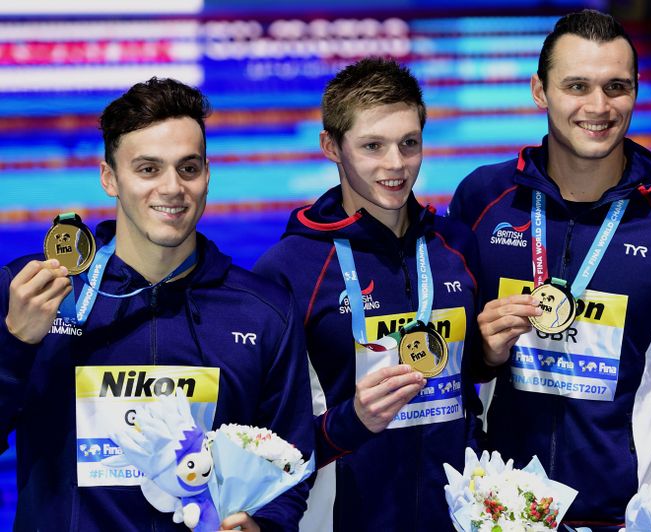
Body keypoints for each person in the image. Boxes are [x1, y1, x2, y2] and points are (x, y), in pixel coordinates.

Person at [448, 9, 651, 529]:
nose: (598, 107)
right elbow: (446, 366)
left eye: (616, 87)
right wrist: (481, 356)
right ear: (540, 90)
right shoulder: (483, 200)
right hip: (492, 512)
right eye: (577, 86)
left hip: (626, 516)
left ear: (636, 91)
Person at [0, 77, 315, 531]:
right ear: (109, 177)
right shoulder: (33, 290)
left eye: (187, 168)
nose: (172, 188)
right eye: (148, 169)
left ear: (207, 174)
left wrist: (264, 525)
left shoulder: (263, 311)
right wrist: (15, 345)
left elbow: (292, 458)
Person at [254, 57, 482, 531]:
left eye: (409, 143)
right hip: (346, 515)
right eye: (372, 146)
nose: (395, 164)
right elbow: (264, 440)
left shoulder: (454, 246)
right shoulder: (291, 270)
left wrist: (492, 355)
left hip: (459, 515)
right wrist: (352, 419)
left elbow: (468, 381)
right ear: (331, 146)